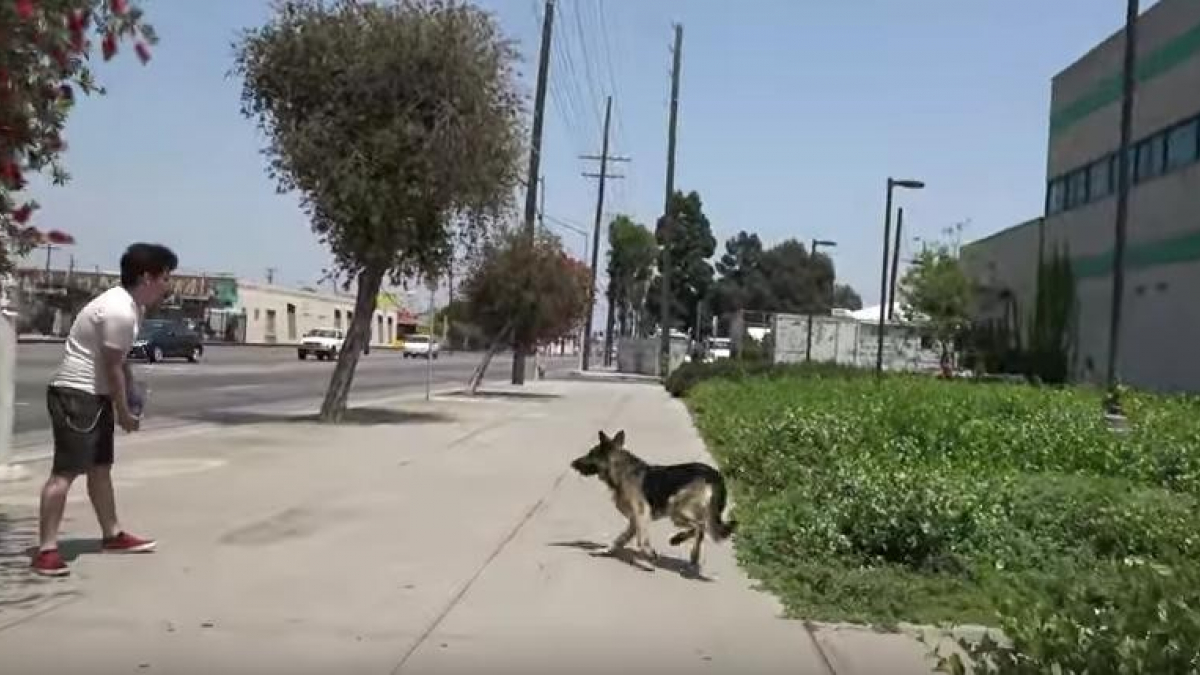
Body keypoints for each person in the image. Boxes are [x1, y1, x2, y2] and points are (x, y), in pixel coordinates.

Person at [31, 243, 178, 577]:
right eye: (165, 278)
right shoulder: (119, 310)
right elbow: (112, 367)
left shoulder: (132, 308)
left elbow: (119, 362)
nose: (167, 285)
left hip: (94, 395)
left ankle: (112, 535)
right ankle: (46, 550)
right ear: (146, 277)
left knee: (100, 468)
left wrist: (132, 391)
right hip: (75, 394)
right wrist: (124, 411)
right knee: (65, 473)